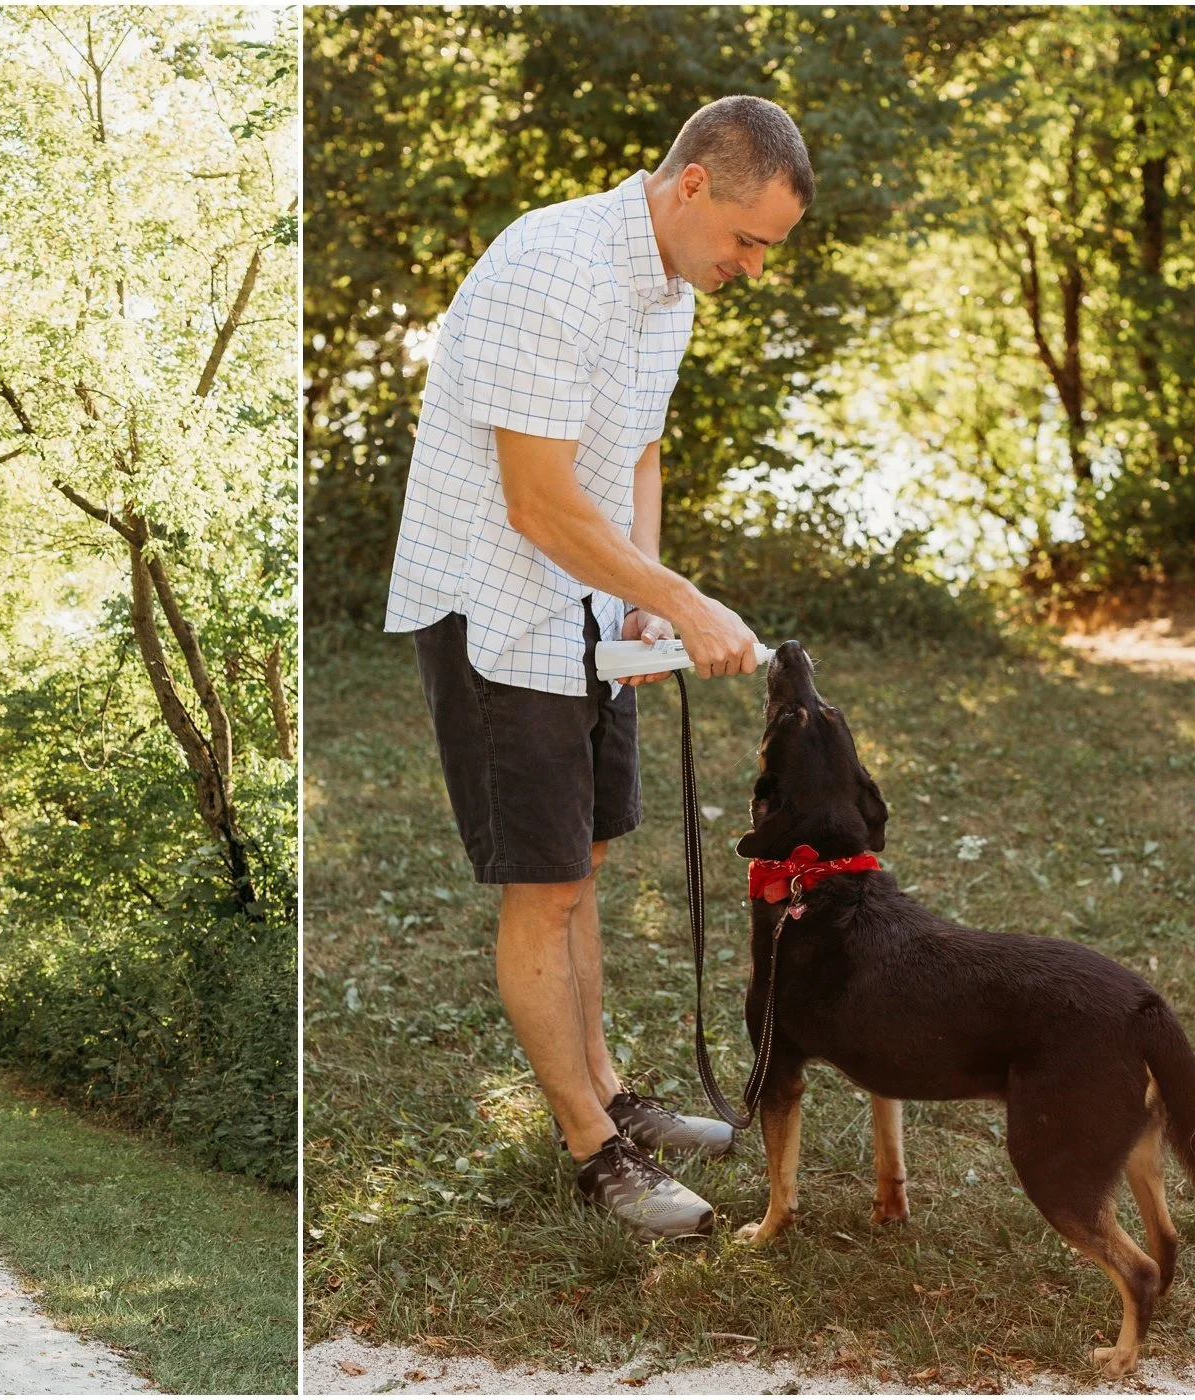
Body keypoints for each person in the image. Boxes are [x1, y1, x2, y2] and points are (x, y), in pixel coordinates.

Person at [384, 96, 813, 1237]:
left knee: (587, 854)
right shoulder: (550, 269)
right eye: (748, 240)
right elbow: (535, 501)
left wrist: (640, 599)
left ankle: (612, 1090)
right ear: (690, 188)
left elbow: (634, 450)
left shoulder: (667, 291)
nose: (752, 268)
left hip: (587, 605)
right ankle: (590, 1145)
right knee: (545, 879)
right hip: (496, 607)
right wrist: (681, 602)